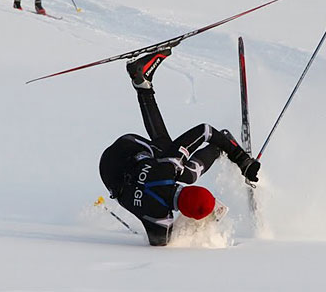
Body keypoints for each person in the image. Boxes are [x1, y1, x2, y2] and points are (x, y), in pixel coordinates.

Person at [99, 48, 260, 246]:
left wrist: (240, 158)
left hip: (124, 151)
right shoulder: (161, 221)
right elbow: (161, 242)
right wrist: (197, 222)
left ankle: (143, 85)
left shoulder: (169, 166)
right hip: (108, 173)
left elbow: (206, 130)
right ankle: (142, 83)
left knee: (180, 166)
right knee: (182, 170)